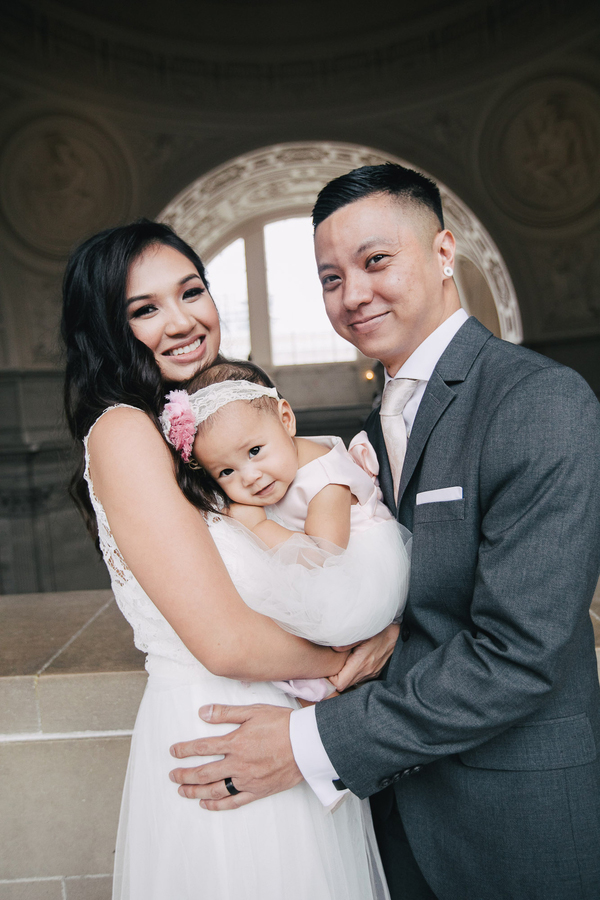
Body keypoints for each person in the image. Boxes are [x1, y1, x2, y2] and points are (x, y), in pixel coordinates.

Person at [169, 164, 600, 900]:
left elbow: (520, 654)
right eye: (330, 278)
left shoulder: (539, 401)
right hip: (392, 820)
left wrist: (310, 744)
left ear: (442, 252)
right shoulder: (365, 435)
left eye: (375, 262)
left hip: (514, 820)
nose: (352, 294)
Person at [61, 219, 399, 900]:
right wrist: (350, 662)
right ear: (107, 329)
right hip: (222, 725)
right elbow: (222, 638)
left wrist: (379, 627)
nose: (182, 320)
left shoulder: (214, 423)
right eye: (146, 309)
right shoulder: (126, 431)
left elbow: (310, 553)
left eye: (191, 291)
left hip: (283, 721)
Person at [159, 359, 411, 701]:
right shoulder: (278, 469)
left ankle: (321, 680)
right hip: (312, 557)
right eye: (225, 472)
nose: (249, 476)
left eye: (254, 451)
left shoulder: (325, 479)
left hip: (354, 572)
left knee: (304, 615)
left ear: (286, 420)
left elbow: (325, 554)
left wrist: (259, 525)